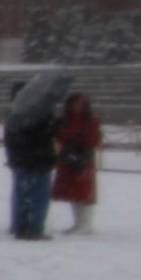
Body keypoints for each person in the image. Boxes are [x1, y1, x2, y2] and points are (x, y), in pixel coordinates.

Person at [4, 82, 58, 241]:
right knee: (38, 196)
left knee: (21, 194)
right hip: (39, 160)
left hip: (20, 160)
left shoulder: (14, 115)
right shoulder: (40, 114)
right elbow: (46, 135)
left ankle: (19, 225)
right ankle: (35, 228)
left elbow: (10, 141)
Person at [52, 91, 101, 235]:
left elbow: (94, 140)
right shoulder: (64, 120)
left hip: (84, 159)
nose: (78, 106)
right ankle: (77, 223)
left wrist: (80, 136)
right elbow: (59, 137)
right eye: (75, 103)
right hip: (68, 158)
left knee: (85, 193)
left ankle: (86, 224)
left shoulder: (91, 121)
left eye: (81, 103)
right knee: (73, 193)